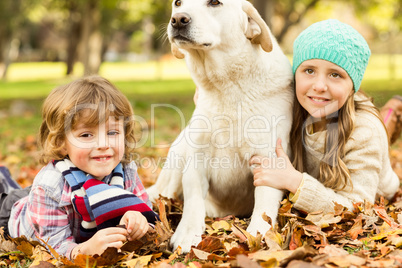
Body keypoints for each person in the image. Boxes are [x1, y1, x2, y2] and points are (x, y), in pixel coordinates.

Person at [249, 19, 400, 214]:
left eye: (335, 74)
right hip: (335, 160)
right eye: (309, 71)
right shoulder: (292, 104)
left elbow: (356, 208)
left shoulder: (366, 132)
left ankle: (389, 117)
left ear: (353, 85)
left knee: (376, 130)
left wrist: (294, 181)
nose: (319, 86)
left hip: (378, 185)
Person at [3, 76, 159, 259]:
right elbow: (51, 248)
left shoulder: (127, 171)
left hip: (63, 194)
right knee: (6, 196)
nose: (103, 144)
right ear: (61, 142)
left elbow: (150, 220)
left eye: (112, 132)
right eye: (86, 135)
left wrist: (140, 221)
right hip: (18, 214)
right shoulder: (49, 187)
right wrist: (84, 250)